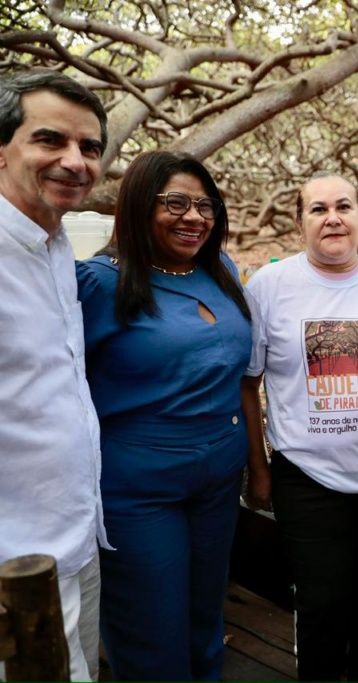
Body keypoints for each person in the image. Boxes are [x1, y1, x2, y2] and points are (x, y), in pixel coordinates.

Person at [76, 151, 251, 679]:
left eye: (205, 205)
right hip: (139, 488)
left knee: (204, 616)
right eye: (175, 202)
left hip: (220, 478)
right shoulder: (99, 283)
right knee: (151, 628)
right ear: (138, 205)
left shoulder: (221, 271)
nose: (194, 217)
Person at [241, 172, 358, 680]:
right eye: (318, 209)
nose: (332, 218)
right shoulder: (268, 286)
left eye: (343, 207)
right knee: (322, 605)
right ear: (300, 224)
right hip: (308, 476)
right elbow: (248, 382)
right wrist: (259, 469)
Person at [0, 69, 108, 682]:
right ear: (2, 149)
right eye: (50, 140)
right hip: (15, 565)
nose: (74, 161)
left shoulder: (59, 243)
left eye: (89, 147)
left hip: (79, 537)